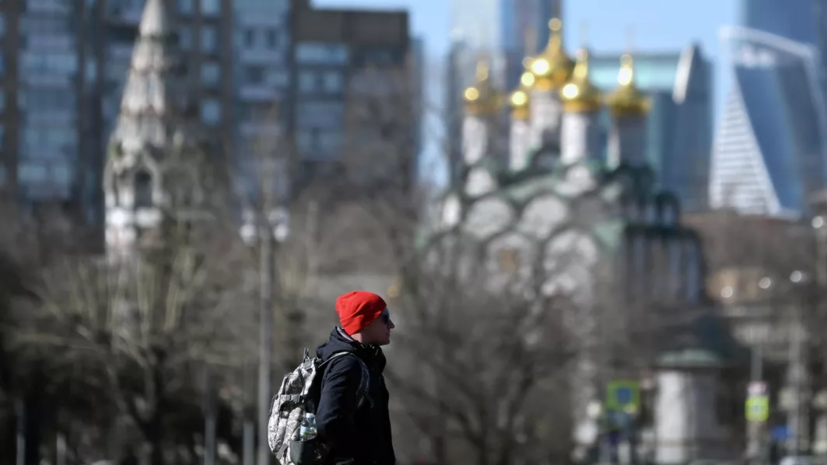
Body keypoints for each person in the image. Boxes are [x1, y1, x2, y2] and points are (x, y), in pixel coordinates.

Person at [315, 290, 397, 465]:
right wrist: (363, 455)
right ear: (365, 322)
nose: (391, 325)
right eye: (385, 317)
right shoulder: (348, 364)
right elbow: (327, 422)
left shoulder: (363, 360)